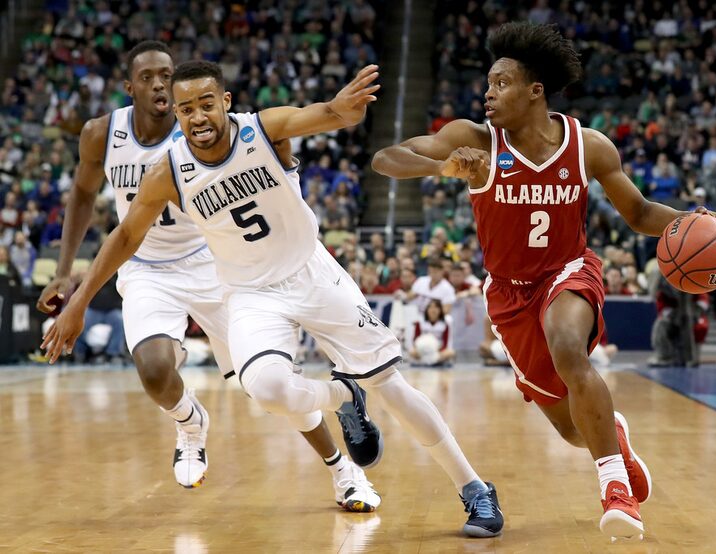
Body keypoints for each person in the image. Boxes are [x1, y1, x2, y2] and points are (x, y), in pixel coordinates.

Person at [42, 61, 503, 538]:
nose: (197, 117)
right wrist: (77, 301)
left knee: (392, 384)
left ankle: (474, 488)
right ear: (177, 116)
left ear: (225, 101)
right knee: (267, 389)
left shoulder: (263, 129)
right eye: (186, 110)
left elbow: (326, 113)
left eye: (205, 104)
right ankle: (345, 396)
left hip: (313, 273)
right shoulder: (169, 172)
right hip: (250, 293)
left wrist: (344, 110)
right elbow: (125, 237)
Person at [373, 21, 716, 540]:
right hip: (508, 292)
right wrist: (444, 168)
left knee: (569, 346)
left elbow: (636, 212)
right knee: (571, 429)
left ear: (535, 91)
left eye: (501, 83)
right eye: (488, 83)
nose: (489, 92)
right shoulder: (472, 139)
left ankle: (616, 491)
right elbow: (385, 158)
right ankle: (615, 440)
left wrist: (698, 221)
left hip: (569, 271)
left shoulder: (587, 146)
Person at [35, 42, 380, 512]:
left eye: (166, 75)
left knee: (273, 387)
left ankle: (344, 470)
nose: (159, 84)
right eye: (149, 77)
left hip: (212, 262)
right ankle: (190, 422)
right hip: (146, 270)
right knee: (155, 372)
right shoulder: (102, 133)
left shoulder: (202, 133)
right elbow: (84, 197)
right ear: (129, 86)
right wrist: (65, 277)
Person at [410, 299, 455, 366]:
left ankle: (433, 361)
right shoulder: (420, 322)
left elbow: (445, 343)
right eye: (430, 307)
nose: (433, 310)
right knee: (412, 352)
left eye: (436, 307)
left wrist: (438, 350)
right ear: (427, 309)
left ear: (440, 310)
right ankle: (429, 361)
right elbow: (415, 340)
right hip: (422, 350)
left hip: (438, 350)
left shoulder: (445, 324)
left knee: (450, 352)